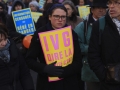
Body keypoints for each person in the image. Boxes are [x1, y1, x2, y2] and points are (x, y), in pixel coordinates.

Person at [26, 4, 82, 90]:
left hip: (69, 82)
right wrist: (45, 68)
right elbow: (29, 60)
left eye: (63, 17)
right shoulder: (40, 34)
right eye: (56, 16)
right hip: (47, 83)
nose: (60, 20)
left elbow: (78, 61)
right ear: (49, 17)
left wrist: (65, 71)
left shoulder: (71, 34)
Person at [74, 0, 107, 90]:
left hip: (109, 69)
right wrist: (93, 49)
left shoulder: (111, 24)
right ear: (92, 10)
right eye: (98, 8)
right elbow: (76, 46)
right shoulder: (83, 26)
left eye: (103, 8)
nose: (101, 10)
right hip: (91, 69)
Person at [88, 0, 120, 90]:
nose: (111, 6)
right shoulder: (99, 25)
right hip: (110, 84)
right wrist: (105, 76)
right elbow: (92, 55)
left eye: (116, 2)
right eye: (110, 2)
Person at [0, 23, 34, 90]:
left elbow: (24, 73)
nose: (4, 43)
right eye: (0, 41)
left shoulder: (13, 49)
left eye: (5, 38)